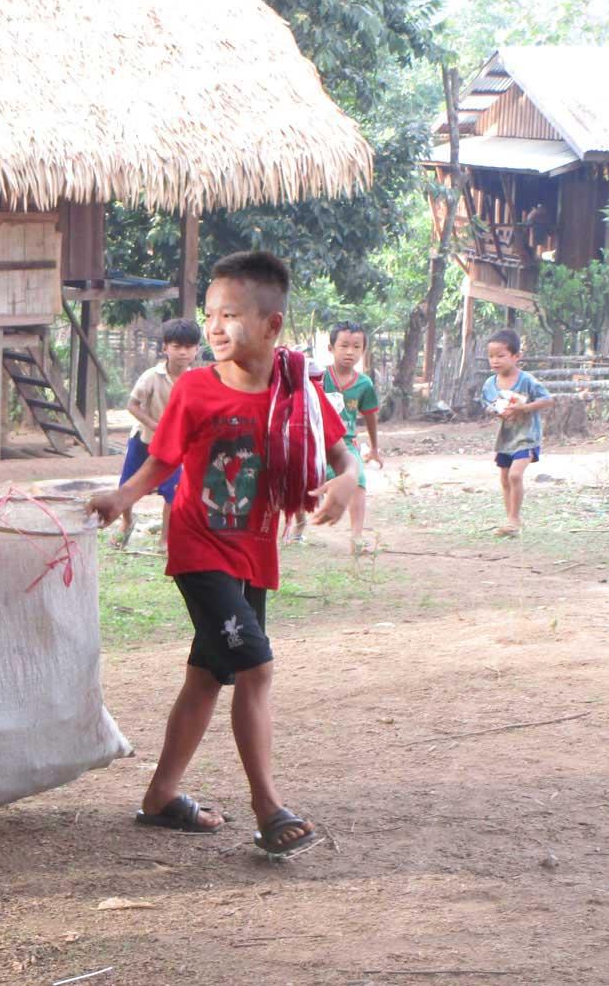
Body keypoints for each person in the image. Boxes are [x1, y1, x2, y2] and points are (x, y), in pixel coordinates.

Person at [87, 250, 357, 857]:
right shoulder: (195, 390)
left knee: (209, 675)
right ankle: (269, 808)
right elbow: (162, 458)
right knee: (255, 670)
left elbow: (342, 454)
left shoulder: (300, 393)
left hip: (253, 553)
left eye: (229, 315)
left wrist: (347, 480)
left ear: (271, 325)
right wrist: (122, 496)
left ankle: (160, 797)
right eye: (209, 314)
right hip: (199, 544)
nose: (213, 327)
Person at [288, 320, 382, 553]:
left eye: (356, 346)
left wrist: (374, 448)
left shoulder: (364, 384)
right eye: (344, 345)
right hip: (317, 442)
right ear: (331, 348)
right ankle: (298, 528)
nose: (350, 352)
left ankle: (357, 538)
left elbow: (370, 417)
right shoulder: (318, 377)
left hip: (346, 443)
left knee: (358, 479)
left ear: (363, 350)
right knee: (302, 480)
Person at [115, 319, 201, 550]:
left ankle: (165, 539)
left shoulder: (196, 382)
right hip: (143, 441)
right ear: (165, 348)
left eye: (188, 347)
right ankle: (127, 521)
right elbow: (132, 406)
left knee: (172, 493)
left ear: (197, 349)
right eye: (176, 346)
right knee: (127, 486)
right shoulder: (151, 376)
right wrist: (157, 427)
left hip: (173, 448)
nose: (182, 352)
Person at [481, 328, 554, 537]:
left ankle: (514, 519)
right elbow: (487, 405)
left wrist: (524, 408)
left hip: (526, 437)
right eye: (491, 356)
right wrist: (497, 411)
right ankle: (511, 521)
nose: (495, 361)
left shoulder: (527, 381)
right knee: (504, 478)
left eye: (500, 356)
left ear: (516, 356)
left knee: (515, 475)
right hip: (505, 438)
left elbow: (548, 400)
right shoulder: (489, 384)